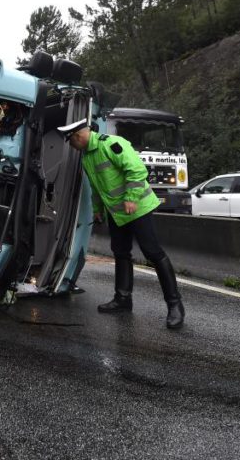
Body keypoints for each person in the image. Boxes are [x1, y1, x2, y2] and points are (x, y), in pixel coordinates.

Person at [57, 120, 185, 329]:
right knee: (121, 252)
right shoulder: (87, 157)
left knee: (153, 253)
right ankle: (123, 299)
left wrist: (132, 198)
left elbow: (136, 170)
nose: (70, 146)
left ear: (78, 137)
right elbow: (97, 188)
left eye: (69, 141)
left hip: (138, 208)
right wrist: (98, 211)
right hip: (117, 214)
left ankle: (175, 305)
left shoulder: (111, 144)